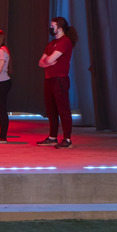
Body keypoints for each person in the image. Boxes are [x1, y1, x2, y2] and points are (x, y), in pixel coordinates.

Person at [38, 17, 76, 147]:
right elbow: (41, 62)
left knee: (63, 109)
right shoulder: (51, 44)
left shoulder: (64, 42)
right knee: (51, 110)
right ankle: (52, 136)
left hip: (59, 79)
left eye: (52, 25)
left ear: (59, 28)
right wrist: (47, 61)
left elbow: (48, 60)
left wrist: (47, 61)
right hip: (49, 79)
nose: (50, 28)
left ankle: (67, 139)